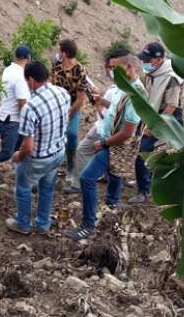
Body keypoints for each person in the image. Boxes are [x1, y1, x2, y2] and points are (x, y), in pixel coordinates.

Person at [64, 54, 146, 241]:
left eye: (114, 68)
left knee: (87, 178)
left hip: (117, 145)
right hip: (109, 139)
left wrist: (103, 143)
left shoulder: (136, 94)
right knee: (112, 174)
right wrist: (101, 101)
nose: (110, 72)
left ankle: (88, 225)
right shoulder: (124, 87)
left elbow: (128, 132)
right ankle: (111, 207)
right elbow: (117, 107)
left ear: (128, 68)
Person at [5, 61, 70, 234]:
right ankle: (43, 224)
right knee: (47, 188)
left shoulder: (30, 107)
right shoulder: (62, 92)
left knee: (23, 187)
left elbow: (28, 146)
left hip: (39, 158)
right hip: (58, 153)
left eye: (27, 82)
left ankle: (23, 223)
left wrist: (18, 155)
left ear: (32, 80)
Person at [63, 48, 131, 194]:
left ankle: (78, 185)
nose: (110, 71)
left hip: (106, 130)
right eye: (110, 68)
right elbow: (112, 108)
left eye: (112, 68)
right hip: (104, 128)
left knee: (83, 151)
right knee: (110, 160)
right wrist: (98, 101)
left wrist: (97, 105)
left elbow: (111, 115)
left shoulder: (124, 90)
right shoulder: (116, 88)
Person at [130, 42, 184, 203]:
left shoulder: (171, 77)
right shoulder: (153, 72)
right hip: (152, 114)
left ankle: (144, 191)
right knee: (142, 148)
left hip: (168, 117)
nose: (144, 62)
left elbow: (171, 106)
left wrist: (154, 128)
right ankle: (145, 179)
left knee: (144, 151)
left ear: (158, 60)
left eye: (148, 59)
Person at [0, 45, 32, 171]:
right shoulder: (21, 76)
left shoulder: (8, 69)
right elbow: (21, 102)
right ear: (28, 58)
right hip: (12, 120)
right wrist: (28, 122)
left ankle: (18, 173)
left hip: (5, 116)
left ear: (15, 56)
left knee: (18, 149)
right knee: (7, 153)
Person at [51, 39, 89, 176]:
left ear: (65, 53)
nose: (57, 53)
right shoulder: (56, 66)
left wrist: (68, 115)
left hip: (73, 105)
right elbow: (52, 85)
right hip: (57, 105)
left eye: (59, 50)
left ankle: (72, 166)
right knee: (56, 134)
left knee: (71, 134)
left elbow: (80, 99)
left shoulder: (80, 70)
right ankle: (58, 161)